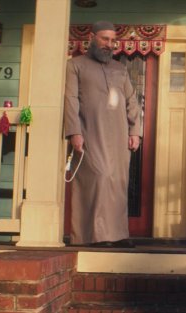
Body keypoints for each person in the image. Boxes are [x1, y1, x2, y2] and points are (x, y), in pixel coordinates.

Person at [64, 21, 141, 247]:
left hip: (119, 135)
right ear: (92, 37)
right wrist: (74, 132)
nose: (109, 44)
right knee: (99, 177)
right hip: (90, 131)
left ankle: (117, 235)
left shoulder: (120, 69)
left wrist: (135, 131)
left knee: (117, 182)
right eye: (104, 39)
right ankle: (93, 236)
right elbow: (70, 100)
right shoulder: (75, 65)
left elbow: (132, 101)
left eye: (112, 41)